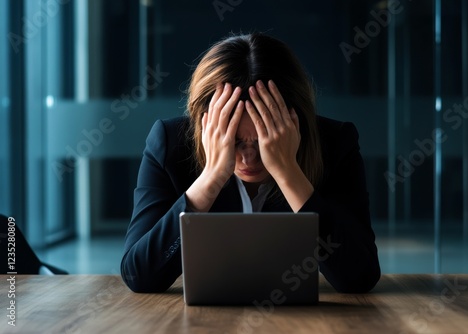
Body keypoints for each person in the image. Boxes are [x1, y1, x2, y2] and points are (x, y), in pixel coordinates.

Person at [121, 32, 381, 293]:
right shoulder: (169, 145)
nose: (248, 158)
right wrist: (210, 178)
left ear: (294, 124)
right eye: (233, 142)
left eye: (263, 141)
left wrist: (288, 172)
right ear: (206, 124)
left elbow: (359, 278)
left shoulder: (336, 144)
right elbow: (138, 276)